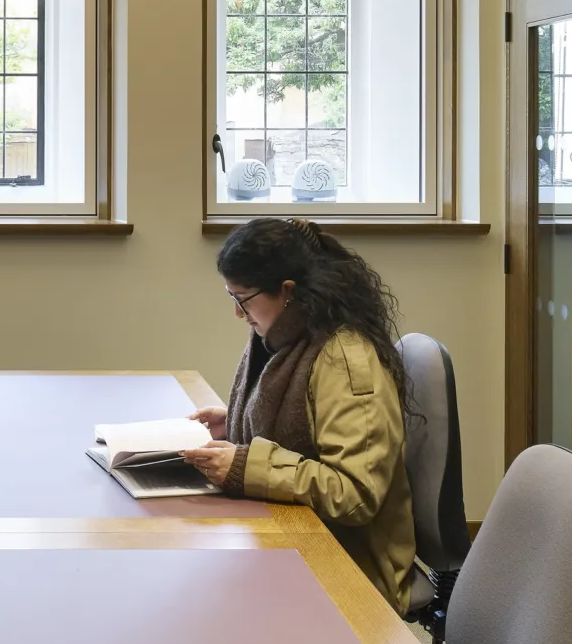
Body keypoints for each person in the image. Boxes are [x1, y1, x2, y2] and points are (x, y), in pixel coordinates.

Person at [179, 218, 418, 613]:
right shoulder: (283, 336)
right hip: (297, 537)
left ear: (287, 291)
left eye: (243, 299)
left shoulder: (344, 359)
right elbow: (300, 424)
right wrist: (235, 418)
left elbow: (354, 495)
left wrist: (244, 464)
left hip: (350, 566)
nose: (239, 314)